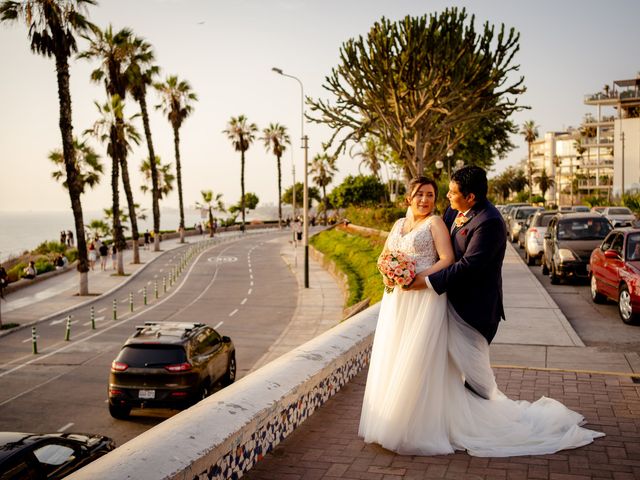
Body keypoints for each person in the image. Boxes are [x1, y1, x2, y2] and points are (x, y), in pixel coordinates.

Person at [359, 173, 604, 457]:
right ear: (408, 199)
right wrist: (393, 272)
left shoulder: (489, 223)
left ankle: (483, 421)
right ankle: (411, 418)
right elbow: (399, 250)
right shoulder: (452, 211)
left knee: (475, 376)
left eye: (447, 193)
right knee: (416, 361)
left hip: (473, 308)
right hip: (423, 301)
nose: (444, 198)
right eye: (430, 194)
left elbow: (466, 265)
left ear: (470, 197)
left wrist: (420, 281)